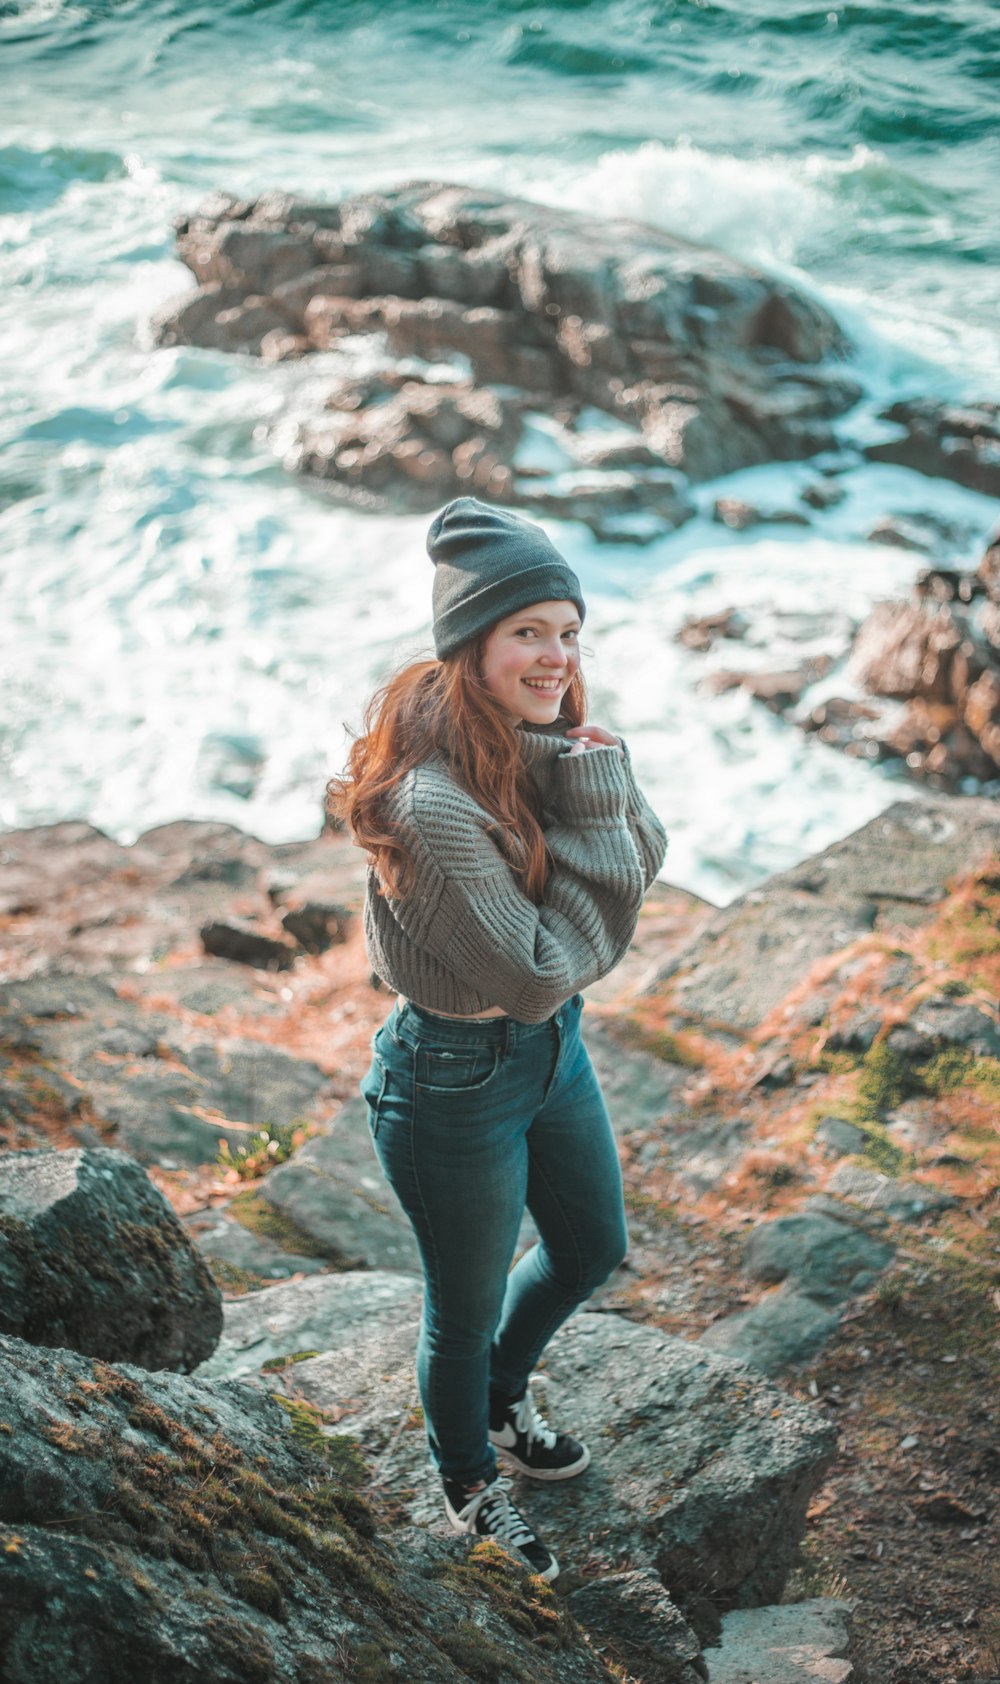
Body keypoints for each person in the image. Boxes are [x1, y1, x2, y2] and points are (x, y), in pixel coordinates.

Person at [327, 496, 668, 1582]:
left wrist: (591, 768)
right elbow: (530, 968)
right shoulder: (428, 801)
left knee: (590, 1246)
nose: (557, 655)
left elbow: (640, 851)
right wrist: (592, 808)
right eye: (528, 631)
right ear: (468, 642)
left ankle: (502, 1402)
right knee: (461, 1311)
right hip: (453, 1077)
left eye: (568, 633)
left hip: (548, 1050)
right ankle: (469, 1475)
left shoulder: (535, 736)